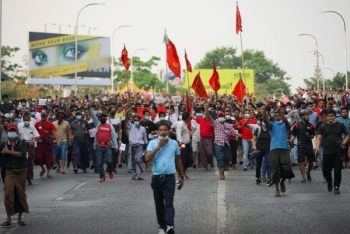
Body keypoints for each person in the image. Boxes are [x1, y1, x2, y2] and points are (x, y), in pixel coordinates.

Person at [145, 122, 185, 234]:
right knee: (159, 203)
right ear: (157, 132)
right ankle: (162, 226)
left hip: (170, 178)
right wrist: (158, 147)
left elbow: (178, 159)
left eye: (165, 130)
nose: (163, 132)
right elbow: (147, 159)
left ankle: (170, 226)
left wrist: (181, 176)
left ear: (168, 131)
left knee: (169, 202)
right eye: (160, 130)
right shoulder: (152, 143)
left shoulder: (174, 143)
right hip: (157, 178)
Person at [0, 123, 29, 227]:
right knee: (8, 193)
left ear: (16, 132)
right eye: (10, 131)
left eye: (14, 131)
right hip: (9, 172)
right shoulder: (4, 144)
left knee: (20, 193)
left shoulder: (22, 142)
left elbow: (22, 154)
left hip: (20, 171)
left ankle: (20, 217)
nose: (12, 132)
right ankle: (8, 218)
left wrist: (8, 152)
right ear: (7, 132)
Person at [263, 107, 295, 197]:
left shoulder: (285, 125)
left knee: (286, 167)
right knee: (275, 169)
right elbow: (265, 120)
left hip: (284, 148)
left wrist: (279, 111)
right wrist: (265, 110)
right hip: (274, 148)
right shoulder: (272, 125)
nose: (277, 116)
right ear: (273, 117)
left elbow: (286, 122)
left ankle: (282, 181)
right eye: (275, 115)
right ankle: (277, 189)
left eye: (279, 115)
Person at [316, 109, 349, 194]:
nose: (330, 117)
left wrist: (343, 143)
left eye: (332, 116)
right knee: (326, 169)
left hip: (338, 152)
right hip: (327, 151)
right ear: (326, 117)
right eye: (329, 116)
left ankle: (336, 186)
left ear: (335, 116)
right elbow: (319, 137)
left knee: (338, 170)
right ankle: (329, 181)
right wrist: (317, 147)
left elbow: (347, 135)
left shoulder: (340, 125)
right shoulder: (322, 126)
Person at [206, 110, 240, 180]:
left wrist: (238, 135)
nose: (221, 117)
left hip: (226, 144)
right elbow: (209, 118)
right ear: (218, 117)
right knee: (220, 158)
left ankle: (224, 169)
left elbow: (233, 131)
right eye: (220, 116)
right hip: (218, 144)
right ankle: (221, 175)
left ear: (224, 117)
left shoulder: (228, 125)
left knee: (227, 160)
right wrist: (206, 110)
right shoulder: (215, 123)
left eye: (222, 116)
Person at [89, 107, 118, 182]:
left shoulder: (109, 126)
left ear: (106, 118)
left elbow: (114, 136)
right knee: (99, 162)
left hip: (108, 146)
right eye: (101, 117)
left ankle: (110, 171)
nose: (102, 118)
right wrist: (90, 108)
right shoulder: (98, 125)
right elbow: (93, 116)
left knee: (109, 161)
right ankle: (102, 176)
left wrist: (116, 146)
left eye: (104, 117)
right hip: (99, 146)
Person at [290, 110, 315, 183]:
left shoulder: (311, 125)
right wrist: (291, 141)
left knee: (311, 162)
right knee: (301, 162)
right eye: (306, 115)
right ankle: (303, 177)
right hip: (300, 146)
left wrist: (310, 136)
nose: (308, 116)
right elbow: (294, 135)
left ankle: (308, 172)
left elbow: (313, 135)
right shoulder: (297, 125)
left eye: (308, 115)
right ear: (302, 116)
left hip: (309, 146)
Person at [17, 113, 40, 185]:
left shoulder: (32, 126)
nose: (26, 121)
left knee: (30, 162)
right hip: (22, 145)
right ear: (23, 119)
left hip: (30, 145)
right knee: (23, 162)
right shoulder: (19, 126)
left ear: (29, 119)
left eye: (28, 119)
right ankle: (22, 178)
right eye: (25, 119)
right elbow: (17, 136)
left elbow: (37, 135)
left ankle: (29, 178)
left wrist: (33, 140)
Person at [34, 111, 57, 178]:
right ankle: (42, 169)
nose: (44, 117)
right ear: (41, 116)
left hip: (47, 143)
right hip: (40, 142)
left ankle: (48, 172)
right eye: (42, 116)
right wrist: (38, 139)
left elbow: (53, 132)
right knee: (38, 157)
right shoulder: (37, 124)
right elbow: (34, 132)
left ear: (46, 117)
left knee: (48, 158)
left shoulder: (50, 124)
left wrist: (52, 137)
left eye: (45, 116)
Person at [127, 114, 148, 180]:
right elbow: (126, 120)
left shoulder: (143, 129)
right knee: (133, 160)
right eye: (135, 120)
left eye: (137, 120)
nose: (136, 121)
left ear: (140, 120)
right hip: (132, 146)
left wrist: (146, 147)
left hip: (139, 146)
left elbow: (145, 138)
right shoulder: (131, 126)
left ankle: (139, 174)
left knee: (137, 159)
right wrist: (127, 112)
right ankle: (134, 174)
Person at [176, 112, 194, 179]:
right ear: (187, 118)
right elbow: (178, 133)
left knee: (189, 160)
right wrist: (180, 141)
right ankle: (179, 175)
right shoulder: (180, 124)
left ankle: (183, 173)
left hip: (187, 144)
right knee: (182, 160)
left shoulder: (185, 124)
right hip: (182, 145)